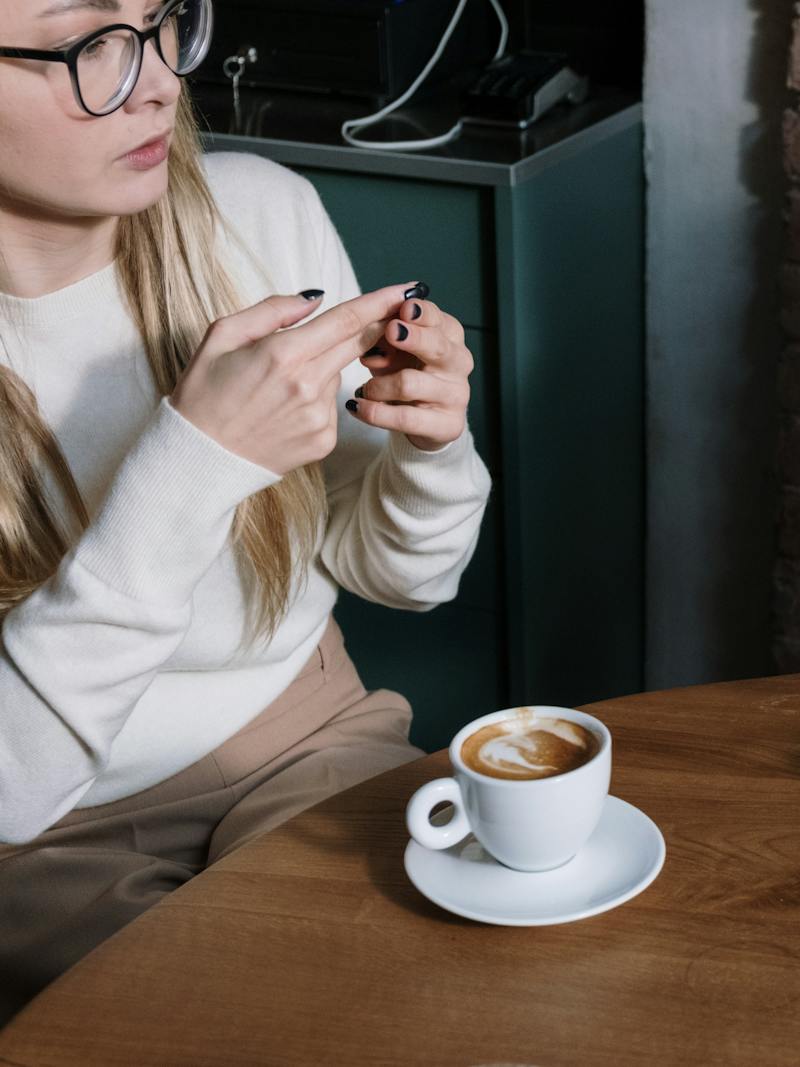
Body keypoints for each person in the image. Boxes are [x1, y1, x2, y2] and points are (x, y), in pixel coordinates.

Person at [0, 0, 492, 1020]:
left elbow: (408, 576)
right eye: (88, 43)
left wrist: (431, 448)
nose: (156, 83)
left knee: (456, 995)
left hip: (311, 734)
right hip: (48, 833)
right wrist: (192, 460)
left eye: (160, 20)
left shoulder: (257, 214)